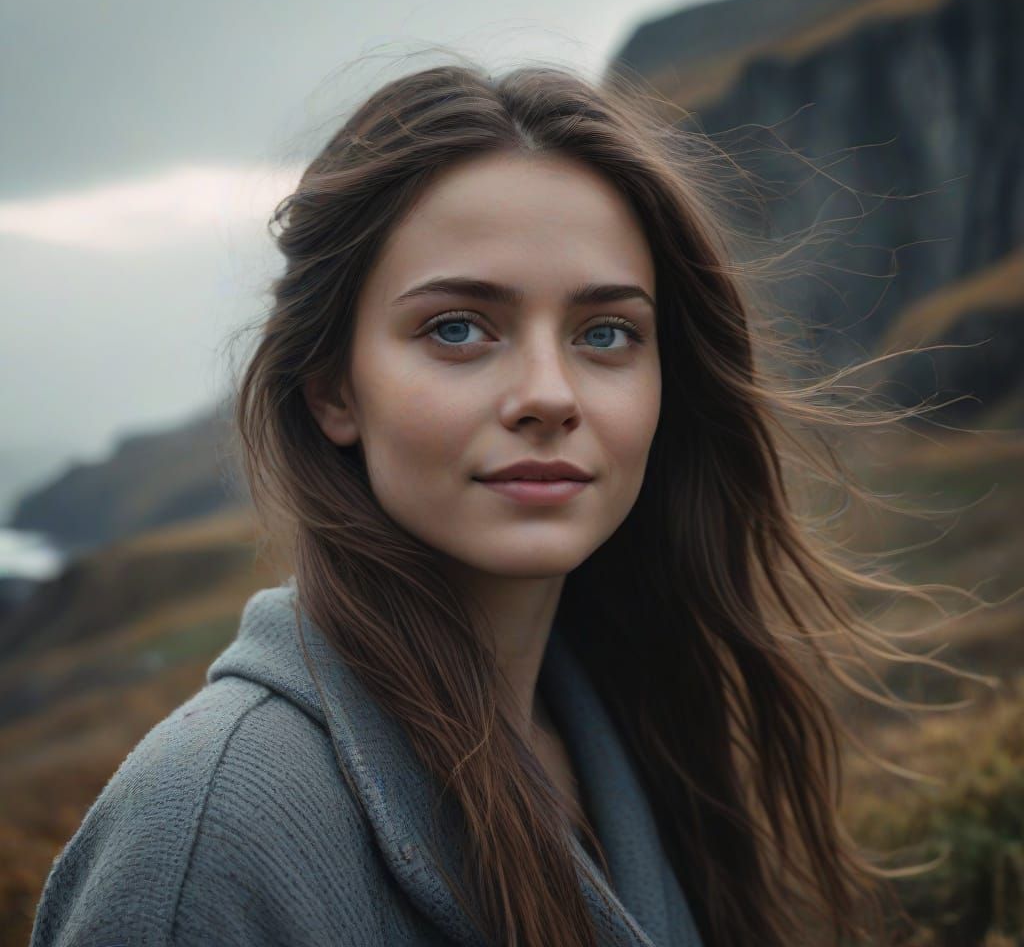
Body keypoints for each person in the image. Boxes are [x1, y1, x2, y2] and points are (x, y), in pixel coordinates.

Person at [27, 56, 989, 947]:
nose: (549, 395)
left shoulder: (638, 739)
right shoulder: (205, 836)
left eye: (606, 334)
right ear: (331, 389)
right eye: (457, 328)